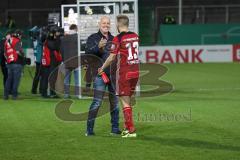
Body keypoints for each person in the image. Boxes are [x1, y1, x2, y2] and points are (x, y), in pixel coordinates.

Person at [98, 15, 140, 138]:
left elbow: (111, 57)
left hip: (124, 72)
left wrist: (102, 68)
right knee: (128, 100)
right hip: (135, 72)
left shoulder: (118, 38)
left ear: (118, 25)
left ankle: (130, 130)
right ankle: (128, 127)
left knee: (125, 102)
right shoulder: (135, 36)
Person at [85, 16, 120, 136]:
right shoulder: (93, 38)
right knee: (97, 102)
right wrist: (98, 47)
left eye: (108, 23)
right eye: (104, 23)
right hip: (99, 75)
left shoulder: (114, 38)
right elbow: (88, 53)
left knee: (114, 102)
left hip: (113, 75)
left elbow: (117, 56)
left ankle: (115, 128)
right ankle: (89, 130)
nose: (106, 25)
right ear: (99, 24)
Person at [40, 29, 62, 98]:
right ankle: (45, 93)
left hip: (51, 62)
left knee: (51, 78)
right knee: (47, 78)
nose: (57, 35)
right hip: (49, 63)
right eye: (56, 33)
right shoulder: (49, 41)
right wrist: (57, 38)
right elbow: (55, 47)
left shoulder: (49, 41)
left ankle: (51, 92)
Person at [3, 29, 25, 100]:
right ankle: (14, 95)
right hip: (17, 63)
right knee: (16, 80)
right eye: (21, 36)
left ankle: (6, 95)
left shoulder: (7, 41)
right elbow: (18, 51)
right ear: (18, 35)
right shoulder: (17, 40)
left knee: (9, 79)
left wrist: (8, 60)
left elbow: (5, 54)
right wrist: (24, 56)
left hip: (9, 63)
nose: (21, 37)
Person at [60, 24, 79, 98]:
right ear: (75, 29)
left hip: (67, 60)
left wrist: (63, 59)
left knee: (66, 78)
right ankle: (78, 94)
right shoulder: (77, 37)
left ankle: (66, 94)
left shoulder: (64, 38)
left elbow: (61, 49)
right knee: (77, 79)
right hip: (76, 60)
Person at [30, 26, 43, 94]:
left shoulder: (33, 39)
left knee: (37, 75)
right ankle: (39, 89)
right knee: (40, 75)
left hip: (37, 59)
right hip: (40, 59)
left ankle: (34, 89)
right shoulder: (38, 40)